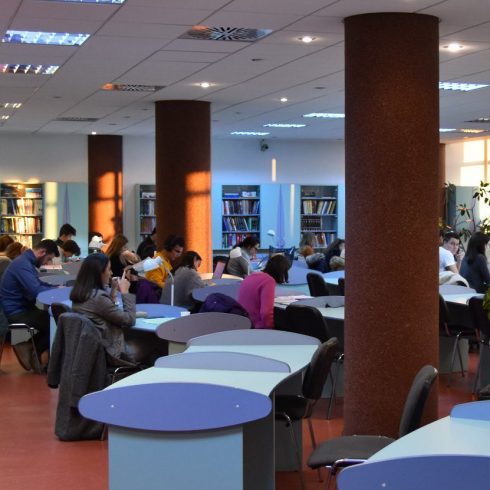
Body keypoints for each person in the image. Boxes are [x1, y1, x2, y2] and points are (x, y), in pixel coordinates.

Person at [70, 253, 166, 365]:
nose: (111, 273)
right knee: (157, 340)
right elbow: (129, 320)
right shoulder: (98, 298)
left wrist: (113, 292)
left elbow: (107, 312)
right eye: (109, 269)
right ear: (99, 272)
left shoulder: (81, 294)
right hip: (113, 353)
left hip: (95, 350)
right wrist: (125, 292)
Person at [0, 239, 60, 371]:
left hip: (21, 309)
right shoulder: (23, 264)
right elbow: (37, 290)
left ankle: (32, 349)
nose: (47, 263)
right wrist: (57, 292)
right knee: (57, 320)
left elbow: (38, 284)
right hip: (17, 312)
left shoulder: (25, 262)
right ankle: (35, 352)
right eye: (48, 259)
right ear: (42, 252)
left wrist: (56, 288)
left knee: (52, 318)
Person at [237, 254, 290, 329]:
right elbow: (266, 313)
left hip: (244, 323)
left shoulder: (251, 276)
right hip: (256, 327)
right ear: (282, 271)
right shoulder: (268, 281)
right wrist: (270, 329)